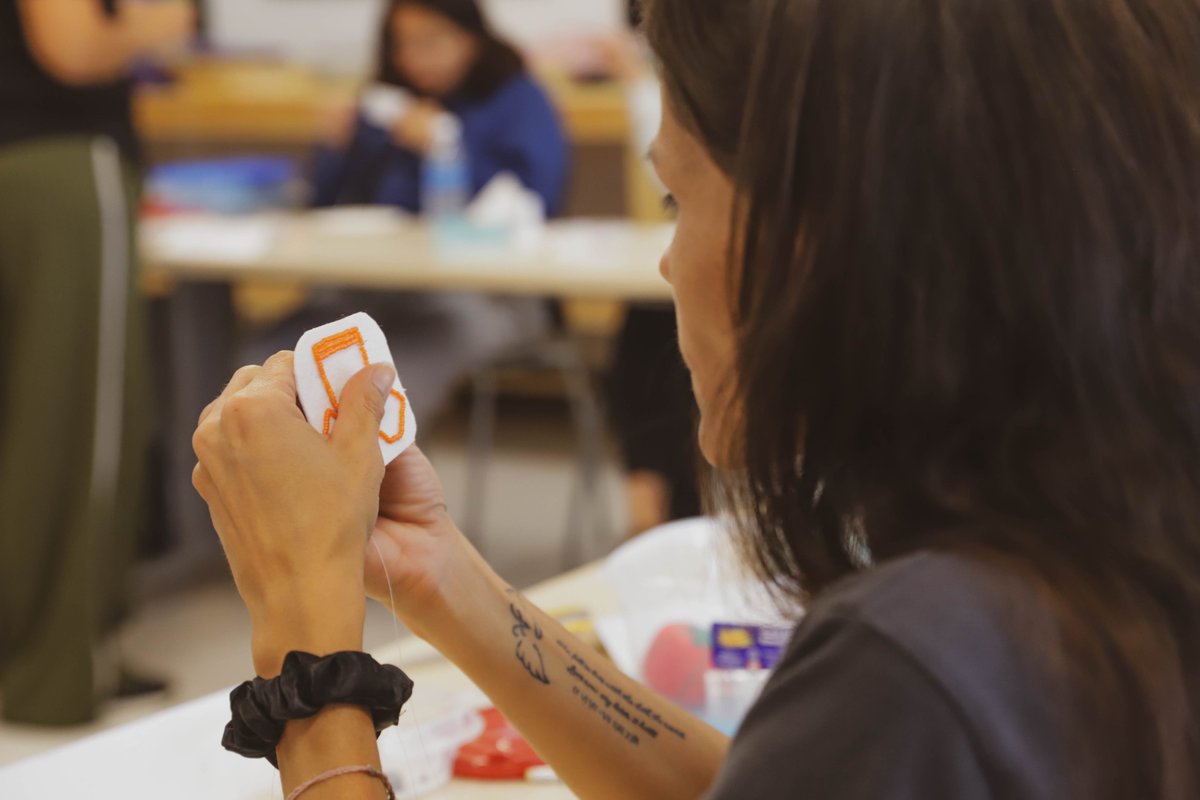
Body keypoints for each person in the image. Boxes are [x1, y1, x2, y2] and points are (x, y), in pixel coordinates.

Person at [192, 0, 1200, 797]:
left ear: (828, 238)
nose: (669, 261)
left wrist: (311, 660)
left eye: (679, 199)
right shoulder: (1083, 569)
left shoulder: (922, 661)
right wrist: (437, 572)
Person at [0, 0, 194, 725]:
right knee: (80, 430)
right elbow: (75, 48)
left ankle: (62, 650)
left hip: (23, 168)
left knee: (30, 419)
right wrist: (167, 23)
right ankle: (54, 671)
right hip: (57, 169)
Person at [275, 0, 572, 423]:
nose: (414, 59)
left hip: (484, 294)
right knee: (272, 359)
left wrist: (445, 145)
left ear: (470, 36)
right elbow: (322, 206)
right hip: (380, 286)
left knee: (379, 383)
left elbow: (535, 204)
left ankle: (360, 476)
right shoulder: (388, 105)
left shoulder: (518, 98)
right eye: (401, 45)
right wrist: (333, 148)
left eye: (429, 42)